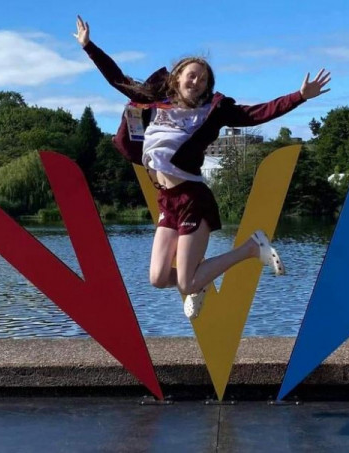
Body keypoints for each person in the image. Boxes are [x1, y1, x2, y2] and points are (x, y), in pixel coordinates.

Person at [74, 15, 330, 320]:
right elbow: (119, 79)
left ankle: (251, 247)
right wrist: (89, 46)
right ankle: (202, 283)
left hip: (192, 198)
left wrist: (299, 96)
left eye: (204, 80)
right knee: (157, 278)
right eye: (192, 76)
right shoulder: (155, 103)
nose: (197, 82)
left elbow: (256, 114)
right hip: (167, 201)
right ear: (178, 76)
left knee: (186, 280)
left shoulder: (210, 112)